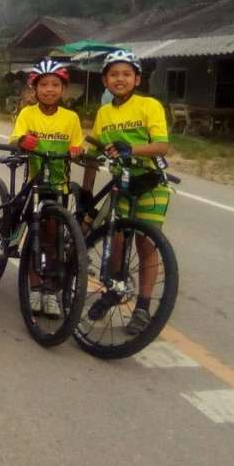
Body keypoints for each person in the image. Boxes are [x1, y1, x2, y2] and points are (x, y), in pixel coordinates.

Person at [79, 49, 170, 335]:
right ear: (105, 80)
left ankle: (142, 307)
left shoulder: (149, 105)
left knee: (145, 244)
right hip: (121, 184)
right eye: (114, 75)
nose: (120, 79)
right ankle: (114, 290)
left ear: (137, 79)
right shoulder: (104, 112)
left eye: (126, 74)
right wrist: (86, 193)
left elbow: (162, 146)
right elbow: (94, 154)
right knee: (115, 241)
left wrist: (133, 149)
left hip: (149, 182)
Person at [9, 59, 84, 318]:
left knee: (53, 241)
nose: (49, 89)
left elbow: (77, 145)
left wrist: (77, 150)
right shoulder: (28, 114)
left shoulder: (71, 118)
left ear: (63, 89)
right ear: (35, 88)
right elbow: (15, 138)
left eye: (55, 85)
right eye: (44, 85)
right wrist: (23, 141)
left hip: (59, 186)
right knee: (36, 238)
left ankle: (51, 292)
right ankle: (35, 287)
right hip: (36, 185)